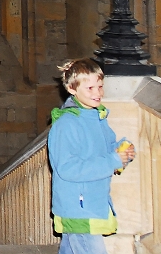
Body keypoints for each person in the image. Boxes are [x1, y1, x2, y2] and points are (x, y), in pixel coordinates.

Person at [47, 58, 136, 254]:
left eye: (100, 86)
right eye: (90, 88)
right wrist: (113, 160)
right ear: (72, 89)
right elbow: (68, 168)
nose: (97, 93)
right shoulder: (67, 124)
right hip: (78, 209)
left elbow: (104, 150)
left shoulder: (97, 117)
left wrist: (121, 151)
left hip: (92, 203)